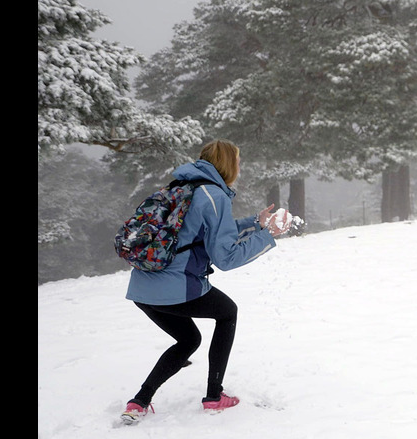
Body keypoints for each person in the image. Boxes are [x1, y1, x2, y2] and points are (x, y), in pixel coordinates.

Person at [120, 139, 291, 424]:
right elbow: (225, 258)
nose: (239, 166)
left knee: (188, 340)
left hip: (142, 287)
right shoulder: (214, 196)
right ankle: (214, 396)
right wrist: (268, 235)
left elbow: (205, 235)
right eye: (237, 160)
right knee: (228, 313)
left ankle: (139, 401)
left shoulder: (182, 187)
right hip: (176, 286)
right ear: (227, 164)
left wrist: (254, 223)